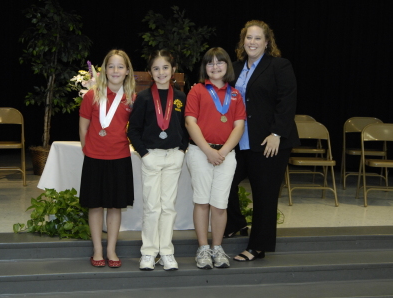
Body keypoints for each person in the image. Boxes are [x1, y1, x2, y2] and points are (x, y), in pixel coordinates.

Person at [227, 20, 300, 261]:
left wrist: (277, 133)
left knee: (264, 195)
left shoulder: (279, 66)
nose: (252, 42)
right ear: (242, 41)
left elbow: (287, 101)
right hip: (239, 142)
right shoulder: (234, 68)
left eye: (258, 38)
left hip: (269, 142)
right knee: (224, 184)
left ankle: (258, 246)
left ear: (267, 42)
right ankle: (236, 223)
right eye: (249, 37)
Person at [127, 50, 188, 271]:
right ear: (150, 72)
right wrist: (144, 154)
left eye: (165, 68)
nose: (161, 72)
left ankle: (167, 251)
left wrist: (181, 150)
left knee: (168, 207)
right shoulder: (143, 98)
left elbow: (187, 127)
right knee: (152, 207)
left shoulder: (180, 97)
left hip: (174, 157)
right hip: (151, 156)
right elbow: (133, 130)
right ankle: (149, 252)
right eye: (156, 68)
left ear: (173, 70)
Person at [185, 47, 246, 269]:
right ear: (205, 68)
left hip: (226, 154)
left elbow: (239, 126)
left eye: (219, 62)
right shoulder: (197, 91)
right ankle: (203, 248)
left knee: (220, 204)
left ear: (227, 66)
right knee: (202, 201)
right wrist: (208, 151)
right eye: (210, 63)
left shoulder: (236, 94)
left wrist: (223, 151)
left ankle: (217, 247)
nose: (215, 66)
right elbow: (190, 123)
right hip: (200, 152)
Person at [78, 49, 136, 268]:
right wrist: (88, 149)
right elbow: (83, 126)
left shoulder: (131, 99)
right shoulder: (92, 95)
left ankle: (111, 248)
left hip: (119, 157)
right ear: (104, 70)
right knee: (94, 206)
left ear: (127, 71)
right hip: (94, 158)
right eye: (111, 66)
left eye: (120, 66)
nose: (115, 70)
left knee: (114, 206)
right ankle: (97, 249)